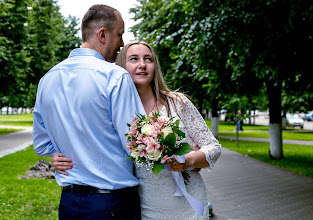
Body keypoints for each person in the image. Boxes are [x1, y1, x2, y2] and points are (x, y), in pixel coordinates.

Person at [52, 41, 222, 219]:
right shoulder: (112, 110)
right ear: (121, 66)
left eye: (148, 59)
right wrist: (58, 157)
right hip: (145, 206)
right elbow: (94, 146)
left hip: (188, 204)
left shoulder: (177, 103)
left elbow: (213, 147)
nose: (142, 64)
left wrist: (189, 160)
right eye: (134, 59)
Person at [32, 5, 146, 220]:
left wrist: (61, 153)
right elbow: (135, 143)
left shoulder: (47, 80)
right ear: (102, 34)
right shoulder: (115, 77)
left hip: (69, 204)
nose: (122, 44)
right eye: (120, 35)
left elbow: (41, 145)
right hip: (112, 204)